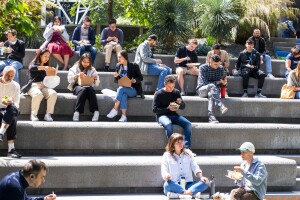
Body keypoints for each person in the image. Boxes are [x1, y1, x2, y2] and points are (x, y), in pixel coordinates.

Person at [161, 133, 209, 199]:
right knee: (167, 185)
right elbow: (164, 170)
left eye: (181, 142)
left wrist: (201, 177)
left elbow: (195, 167)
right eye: (178, 142)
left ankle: (179, 195)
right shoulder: (167, 155)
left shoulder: (188, 153)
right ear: (172, 144)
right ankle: (190, 194)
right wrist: (166, 176)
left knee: (205, 182)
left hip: (188, 184)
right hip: (175, 185)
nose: (180, 144)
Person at [152, 75, 192, 149]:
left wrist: (180, 103)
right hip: (162, 116)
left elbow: (183, 107)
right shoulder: (159, 94)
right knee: (168, 124)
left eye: (173, 86)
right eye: (169, 87)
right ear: (165, 84)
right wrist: (168, 109)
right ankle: (172, 148)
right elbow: (154, 110)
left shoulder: (176, 92)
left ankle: (186, 148)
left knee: (188, 124)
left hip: (174, 115)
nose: (171, 89)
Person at [106, 50, 143, 122]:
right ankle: (124, 116)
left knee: (120, 89)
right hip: (123, 89)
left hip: (133, 89)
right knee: (123, 95)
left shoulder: (133, 65)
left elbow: (140, 78)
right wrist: (117, 76)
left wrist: (134, 80)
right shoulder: (118, 65)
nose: (118, 59)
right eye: (118, 57)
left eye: (120, 57)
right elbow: (117, 81)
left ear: (125, 57)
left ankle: (115, 109)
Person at [196, 54, 228, 123]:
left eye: (218, 64)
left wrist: (224, 83)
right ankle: (220, 105)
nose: (216, 66)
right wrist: (218, 82)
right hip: (202, 90)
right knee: (211, 86)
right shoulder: (203, 68)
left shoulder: (221, 68)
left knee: (211, 94)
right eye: (215, 64)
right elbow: (205, 83)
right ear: (210, 62)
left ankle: (211, 118)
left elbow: (223, 84)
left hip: (214, 92)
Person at [68, 53, 100, 122]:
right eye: (84, 62)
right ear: (81, 60)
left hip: (88, 86)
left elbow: (97, 84)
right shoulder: (75, 67)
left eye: (88, 62)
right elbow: (69, 79)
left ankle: (96, 111)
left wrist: (95, 78)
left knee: (91, 90)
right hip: (77, 86)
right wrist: (77, 75)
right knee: (83, 90)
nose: (86, 64)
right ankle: (77, 112)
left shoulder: (92, 69)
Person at [28, 48, 57, 122]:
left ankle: (48, 114)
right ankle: (33, 114)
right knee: (38, 94)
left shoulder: (47, 66)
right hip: (34, 86)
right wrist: (44, 68)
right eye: (45, 56)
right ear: (40, 56)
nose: (47, 58)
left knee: (53, 93)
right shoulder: (33, 64)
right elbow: (32, 68)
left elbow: (48, 80)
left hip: (44, 86)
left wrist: (53, 73)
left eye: (48, 56)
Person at [0, 66, 21, 158]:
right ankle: (11, 150)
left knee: (13, 109)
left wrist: (11, 102)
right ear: (2, 73)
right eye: (8, 75)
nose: (10, 78)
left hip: (9, 109)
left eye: (12, 76)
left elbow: (17, 102)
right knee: (12, 117)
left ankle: (1, 133)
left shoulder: (16, 85)